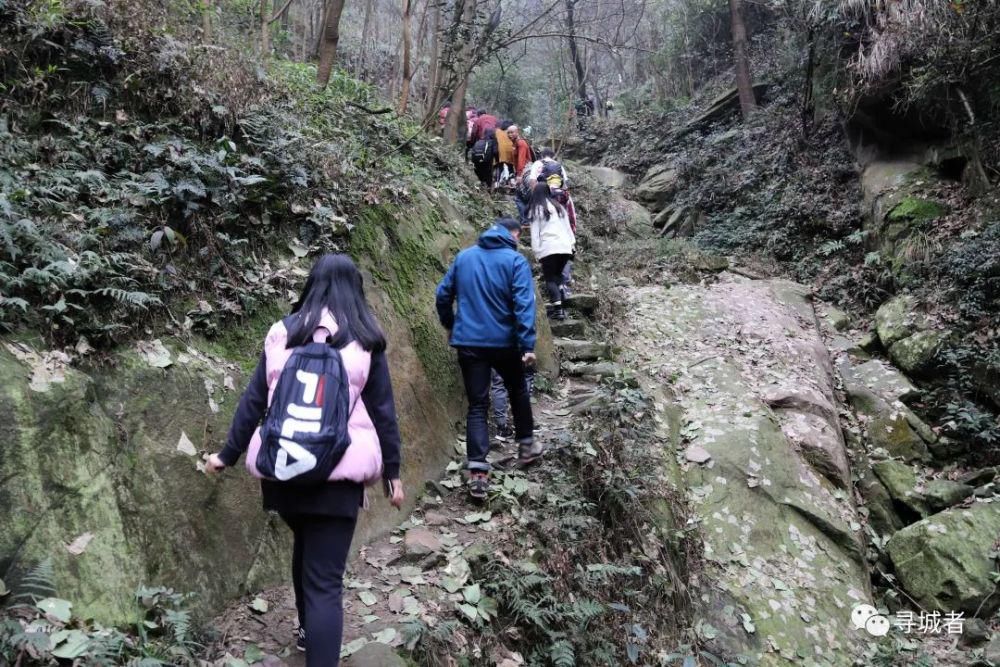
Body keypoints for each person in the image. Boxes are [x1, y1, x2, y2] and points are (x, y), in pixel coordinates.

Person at [204, 254, 405, 666]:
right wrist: (394, 474)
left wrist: (226, 455)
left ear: (310, 285)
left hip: (284, 474)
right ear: (356, 289)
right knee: (325, 583)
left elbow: (253, 400)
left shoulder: (282, 332)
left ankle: (304, 630)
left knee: (306, 544)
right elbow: (383, 410)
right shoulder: (366, 337)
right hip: (337, 475)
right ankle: (316, 639)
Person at [436, 218, 542, 499]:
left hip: (469, 342)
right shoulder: (515, 262)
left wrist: (450, 324)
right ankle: (526, 446)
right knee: (517, 389)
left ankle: (478, 473)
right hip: (505, 343)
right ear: (512, 236)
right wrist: (527, 343)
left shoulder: (464, 257)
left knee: (477, 405)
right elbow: (523, 303)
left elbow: (442, 295)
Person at [527, 182, 575, 321]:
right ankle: (561, 306)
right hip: (565, 247)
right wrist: (572, 245)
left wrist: (536, 252)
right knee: (558, 276)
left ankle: (558, 310)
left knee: (549, 279)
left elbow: (535, 234)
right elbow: (568, 228)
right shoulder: (559, 207)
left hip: (549, 247)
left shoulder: (536, 209)